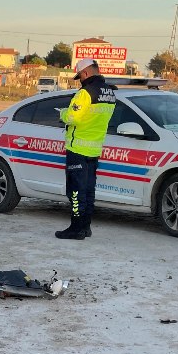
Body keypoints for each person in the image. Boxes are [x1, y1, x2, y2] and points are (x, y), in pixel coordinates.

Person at [56, 58, 116, 239]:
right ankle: (86, 227)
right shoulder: (110, 93)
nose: (80, 80)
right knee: (89, 191)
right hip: (95, 148)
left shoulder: (85, 93)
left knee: (75, 191)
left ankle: (76, 228)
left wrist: (62, 113)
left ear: (86, 73)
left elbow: (74, 117)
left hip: (78, 148)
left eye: (80, 76)